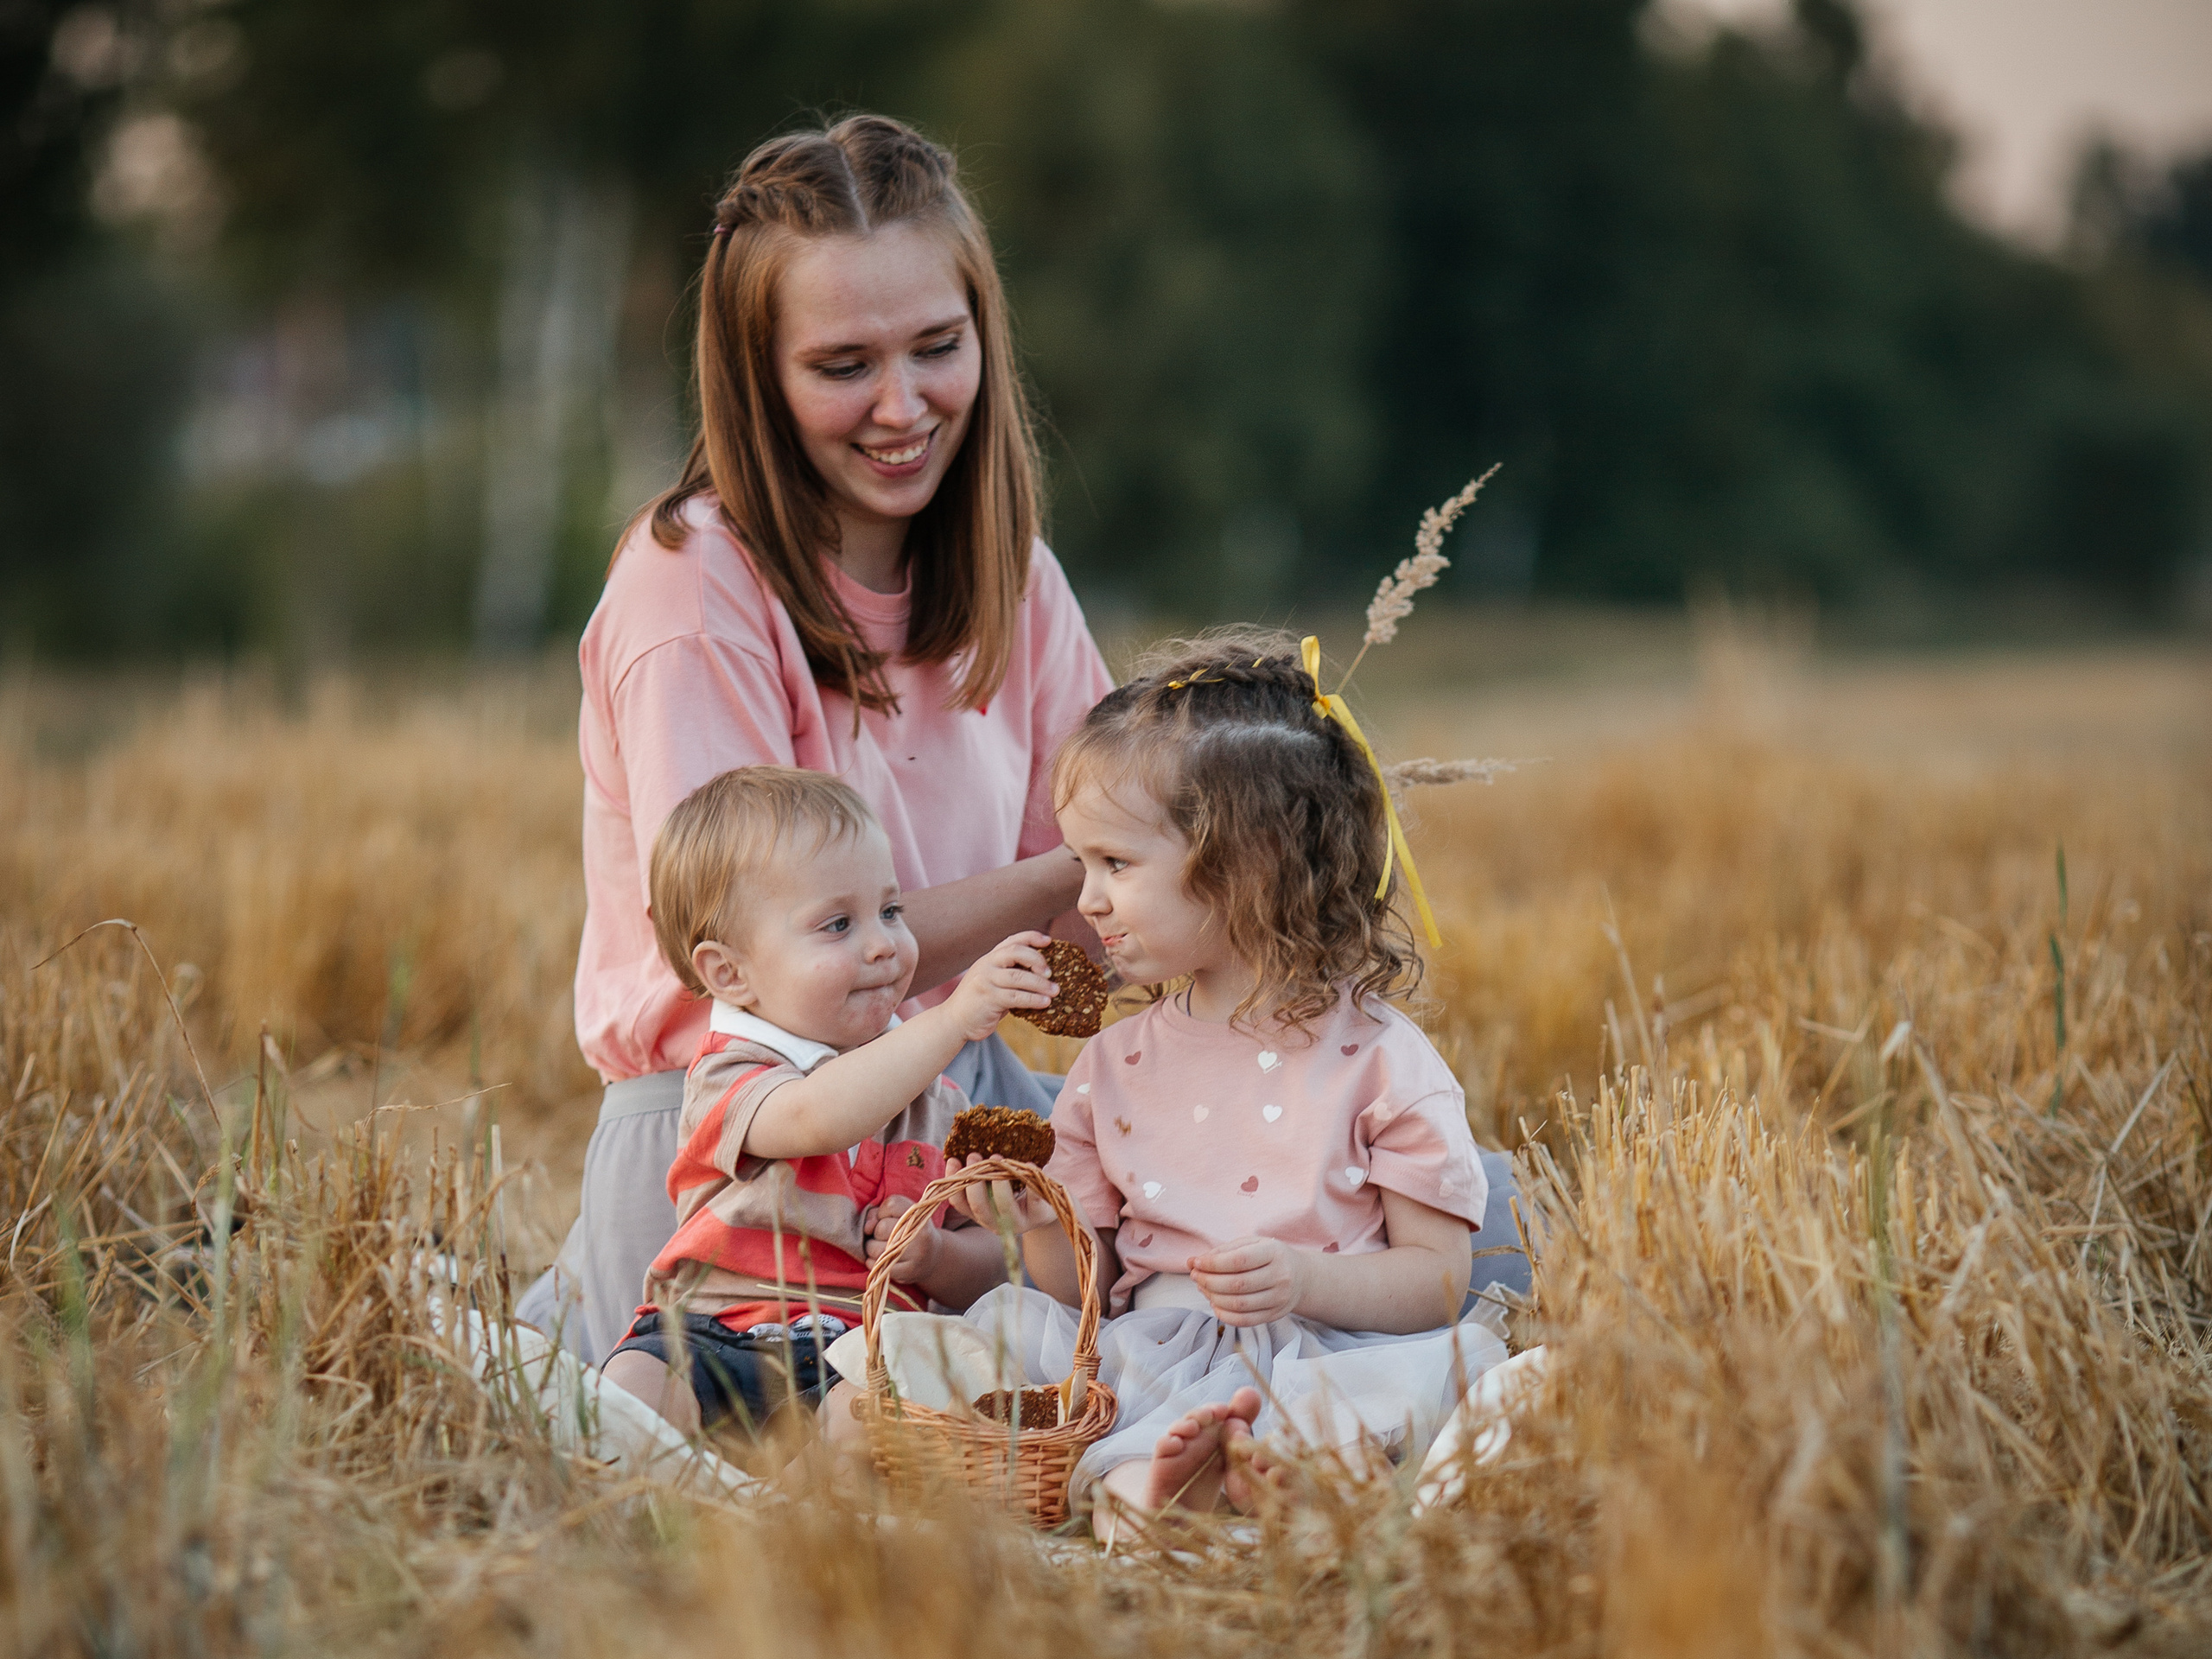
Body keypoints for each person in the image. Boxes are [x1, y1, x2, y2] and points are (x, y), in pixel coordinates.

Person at [518, 112, 1116, 1363]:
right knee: (831, 1421)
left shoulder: (1018, 580)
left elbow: (1089, 956)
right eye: (844, 365)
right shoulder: (691, 591)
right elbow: (771, 959)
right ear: (759, 379)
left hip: (957, 1118)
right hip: (749, 1149)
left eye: (937, 347)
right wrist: (1091, 864)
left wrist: (1237, 878)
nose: (903, 406)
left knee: (1435, 1210)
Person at [947, 629, 1508, 1525]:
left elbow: (1440, 1281)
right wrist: (1038, 1227)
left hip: (1326, 1350)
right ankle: (1171, 1488)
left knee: (1399, 1407)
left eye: (1116, 864)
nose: (1086, 899)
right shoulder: (1111, 1065)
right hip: (1152, 1352)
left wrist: (1305, 1282)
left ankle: (1250, 1482)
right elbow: (1084, 1286)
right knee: (1036, 1381)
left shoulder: (1380, 1060)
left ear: (1247, 865)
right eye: (1083, 864)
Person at [600, 765, 1065, 1435]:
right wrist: (952, 1019)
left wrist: (938, 1257)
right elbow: (817, 1116)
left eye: (891, 911)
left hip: (857, 1353)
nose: (883, 945)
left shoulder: (940, 1105)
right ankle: (668, 1464)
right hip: (708, 1331)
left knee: (885, 1410)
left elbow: (998, 1263)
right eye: (839, 924)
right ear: (730, 972)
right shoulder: (730, 1073)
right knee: (634, 1382)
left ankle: (797, 1481)